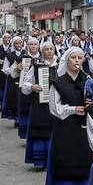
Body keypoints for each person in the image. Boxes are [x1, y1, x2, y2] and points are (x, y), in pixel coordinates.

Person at [45, 47, 93, 185]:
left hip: (85, 128)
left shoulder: (89, 81)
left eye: (80, 58)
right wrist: (74, 110)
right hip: (65, 128)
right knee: (67, 161)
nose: (76, 61)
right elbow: (54, 108)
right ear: (67, 61)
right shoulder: (58, 82)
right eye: (73, 57)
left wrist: (92, 104)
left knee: (85, 162)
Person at [22, 41, 59, 170]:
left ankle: (56, 159)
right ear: (42, 52)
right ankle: (42, 160)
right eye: (46, 49)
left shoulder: (61, 65)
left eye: (51, 49)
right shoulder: (37, 64)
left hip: (58, 103)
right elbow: (25, 84)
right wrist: (32, 86)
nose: (49, 51)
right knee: (42, 130)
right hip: (41, 102)